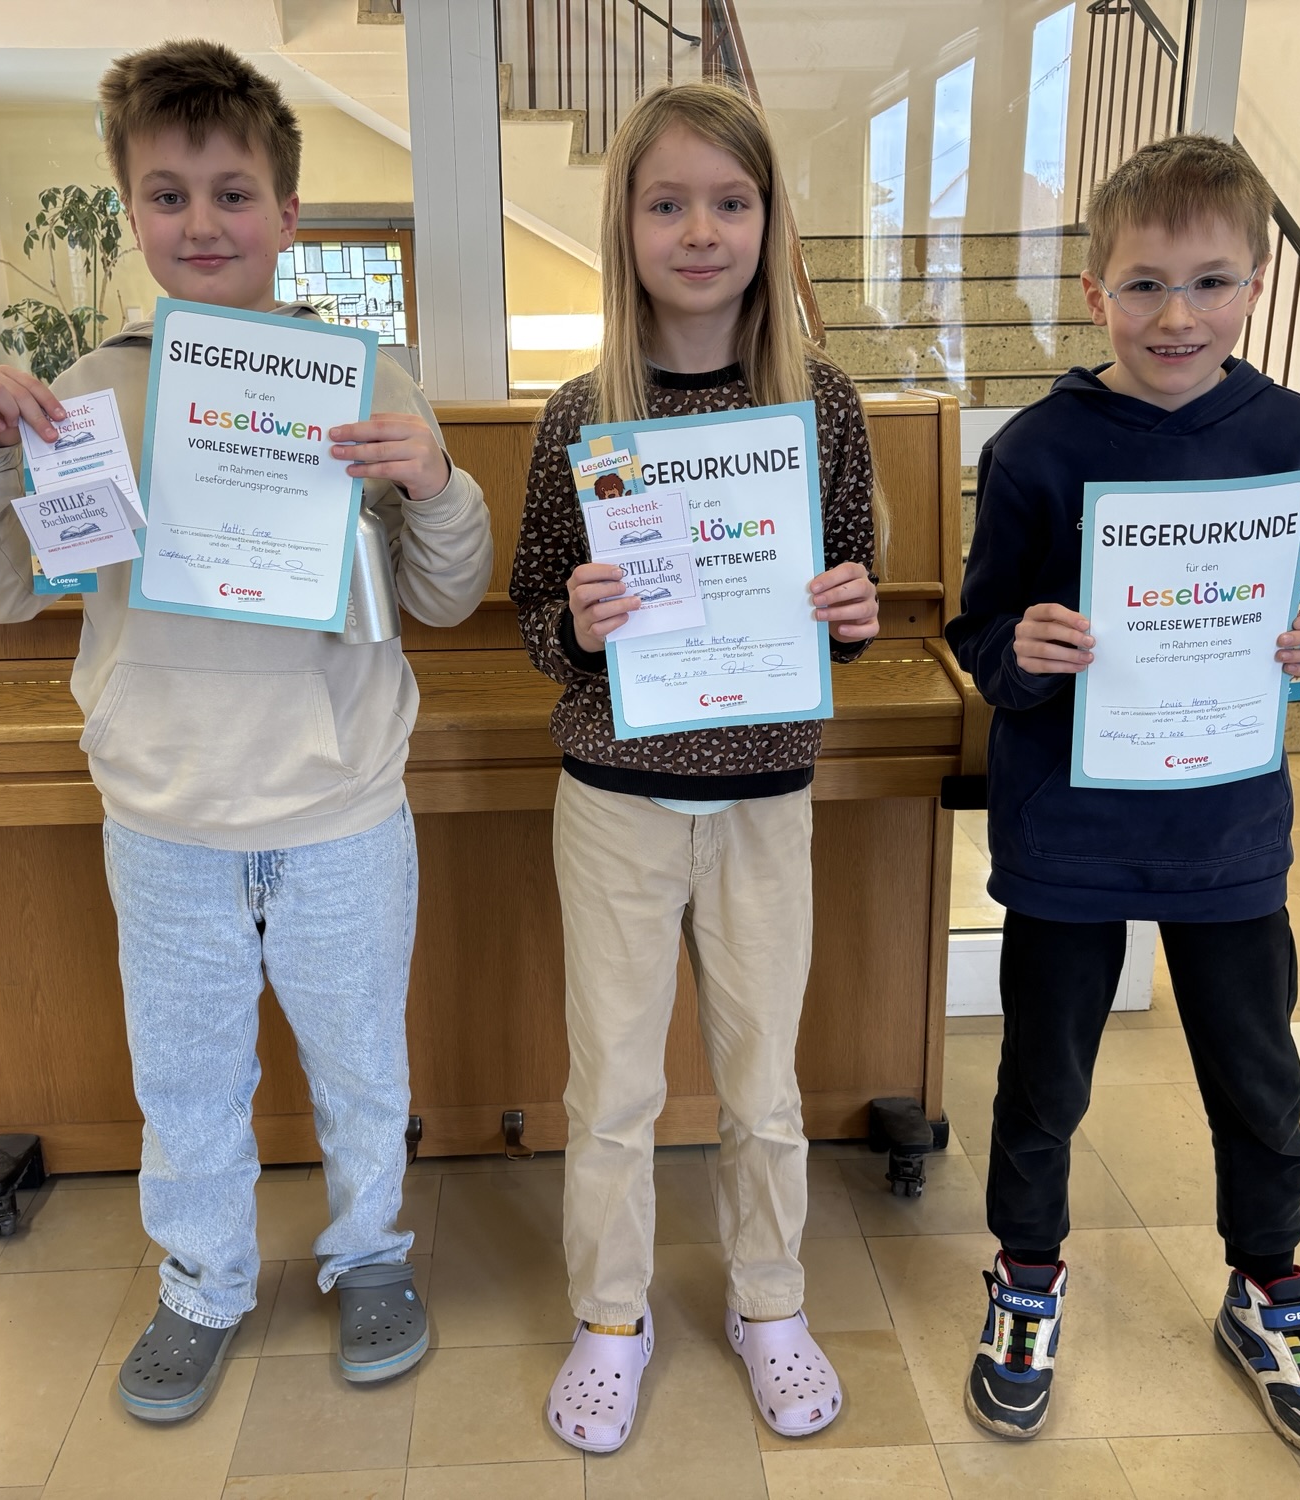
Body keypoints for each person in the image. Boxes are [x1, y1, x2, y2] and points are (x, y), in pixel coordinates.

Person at [0, 40, 492, 1421]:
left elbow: (445, 596)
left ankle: (371, 1254)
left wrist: (437, 483)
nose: (204, 222)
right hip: (166, 814)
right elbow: (3, 591)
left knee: (363, 1065)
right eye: (168, 196)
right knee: (183, 1078)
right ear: (132, 213)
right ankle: (202, 1280)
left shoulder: (369, 379)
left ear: (287, 214)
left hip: (341, 807)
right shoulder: (89, 390)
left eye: (234, 193)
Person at [944, 134, 1300, 1463]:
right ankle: (1025, 1278)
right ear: (1095, 292)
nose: (1177, 315)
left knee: (1257, 1075)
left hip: (1227, 833)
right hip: (1070, 838)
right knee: (1044, 1078)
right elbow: (979, 636)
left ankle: (1269, 1287)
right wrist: (1024, 650)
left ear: (1255, 287)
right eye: (1144, 285)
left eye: (1209, 281)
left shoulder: (1299, 439)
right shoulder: (1036, 450)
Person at [508, 81, 880, 1455]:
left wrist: (852, 611)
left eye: (731, 202)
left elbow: (851, 585)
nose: (702, 231)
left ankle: (768, 1301)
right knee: (611, 1087)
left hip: (764, 800)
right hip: (615, 802)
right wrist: (579, 624)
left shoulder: (818, 404)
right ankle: (611, 1317)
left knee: (764, 1083)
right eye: (668, 203)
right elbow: (536, 620)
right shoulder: (581, 414)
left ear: (770, 222)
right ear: (626, 225)